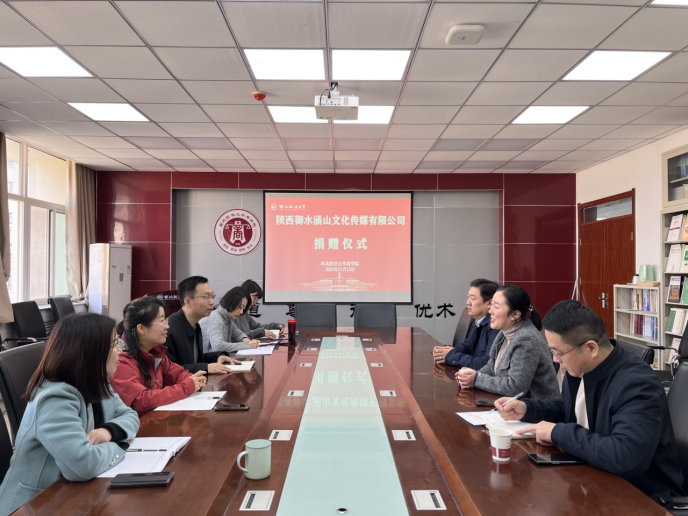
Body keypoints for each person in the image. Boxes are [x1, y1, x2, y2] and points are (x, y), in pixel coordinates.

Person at [497, 300, 685, 509]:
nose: (556, 360)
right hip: (592, 479)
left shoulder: (637, 384)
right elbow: (567, 408)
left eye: (558, 352)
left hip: (642, 497)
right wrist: (527, 408)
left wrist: (558, 432)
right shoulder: (580, 367)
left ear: (591, 348)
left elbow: (626, 457)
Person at [0, 313, 140, 515]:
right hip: (35, 504)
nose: (120, 350)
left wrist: (109, 431)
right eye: (114, 344)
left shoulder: (97, 381)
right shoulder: (54, 398)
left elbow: (130, 415)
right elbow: (84, 464)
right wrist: (119, 445)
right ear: (91, 352)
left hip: (73, 494)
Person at [456, 285, 559, 400]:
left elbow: (515, 388)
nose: (490, 311)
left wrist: (477, 379)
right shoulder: (504, 332)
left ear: (515, 314)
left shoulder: (526, 339)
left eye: (496, 306)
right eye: (491, 305)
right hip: (508, 402)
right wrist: (471, 375)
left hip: (533, 407)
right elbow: (491, 366)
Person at [110, 297, 207, 416]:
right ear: (141, 328)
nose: (167, 326)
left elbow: (178, 374)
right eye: (162, 321)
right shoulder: (120, 360)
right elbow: (140, 401)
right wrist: (186, 387)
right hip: (138, 425)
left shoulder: (155, 353)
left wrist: (193, 379)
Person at [165, 276, 240, 374]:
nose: (212, 302)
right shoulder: (168, 329)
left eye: (212, 296)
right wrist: (206, 367)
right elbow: (168, 371)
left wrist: (217, 357)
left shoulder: (195, 325)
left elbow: (195, 360)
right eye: (206, 297)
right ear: (188, 302)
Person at [432, 279, 500, 368]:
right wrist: (448, 351)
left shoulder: (496, 326)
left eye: (473, 298)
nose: (468, 302)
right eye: (468, 297)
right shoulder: (479, 320)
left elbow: (486, 364)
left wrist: (452, 356)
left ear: (489, 303)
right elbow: (468, 346)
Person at [200, 287, 260, 353]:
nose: (241, 312)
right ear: (231, 302)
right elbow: (218, 346)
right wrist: (247, 345)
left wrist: (246, 340)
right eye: (240, 307)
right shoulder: (215, 318)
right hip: (207, 359)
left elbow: (238, 334)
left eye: (243, 308)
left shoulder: (227, 318)